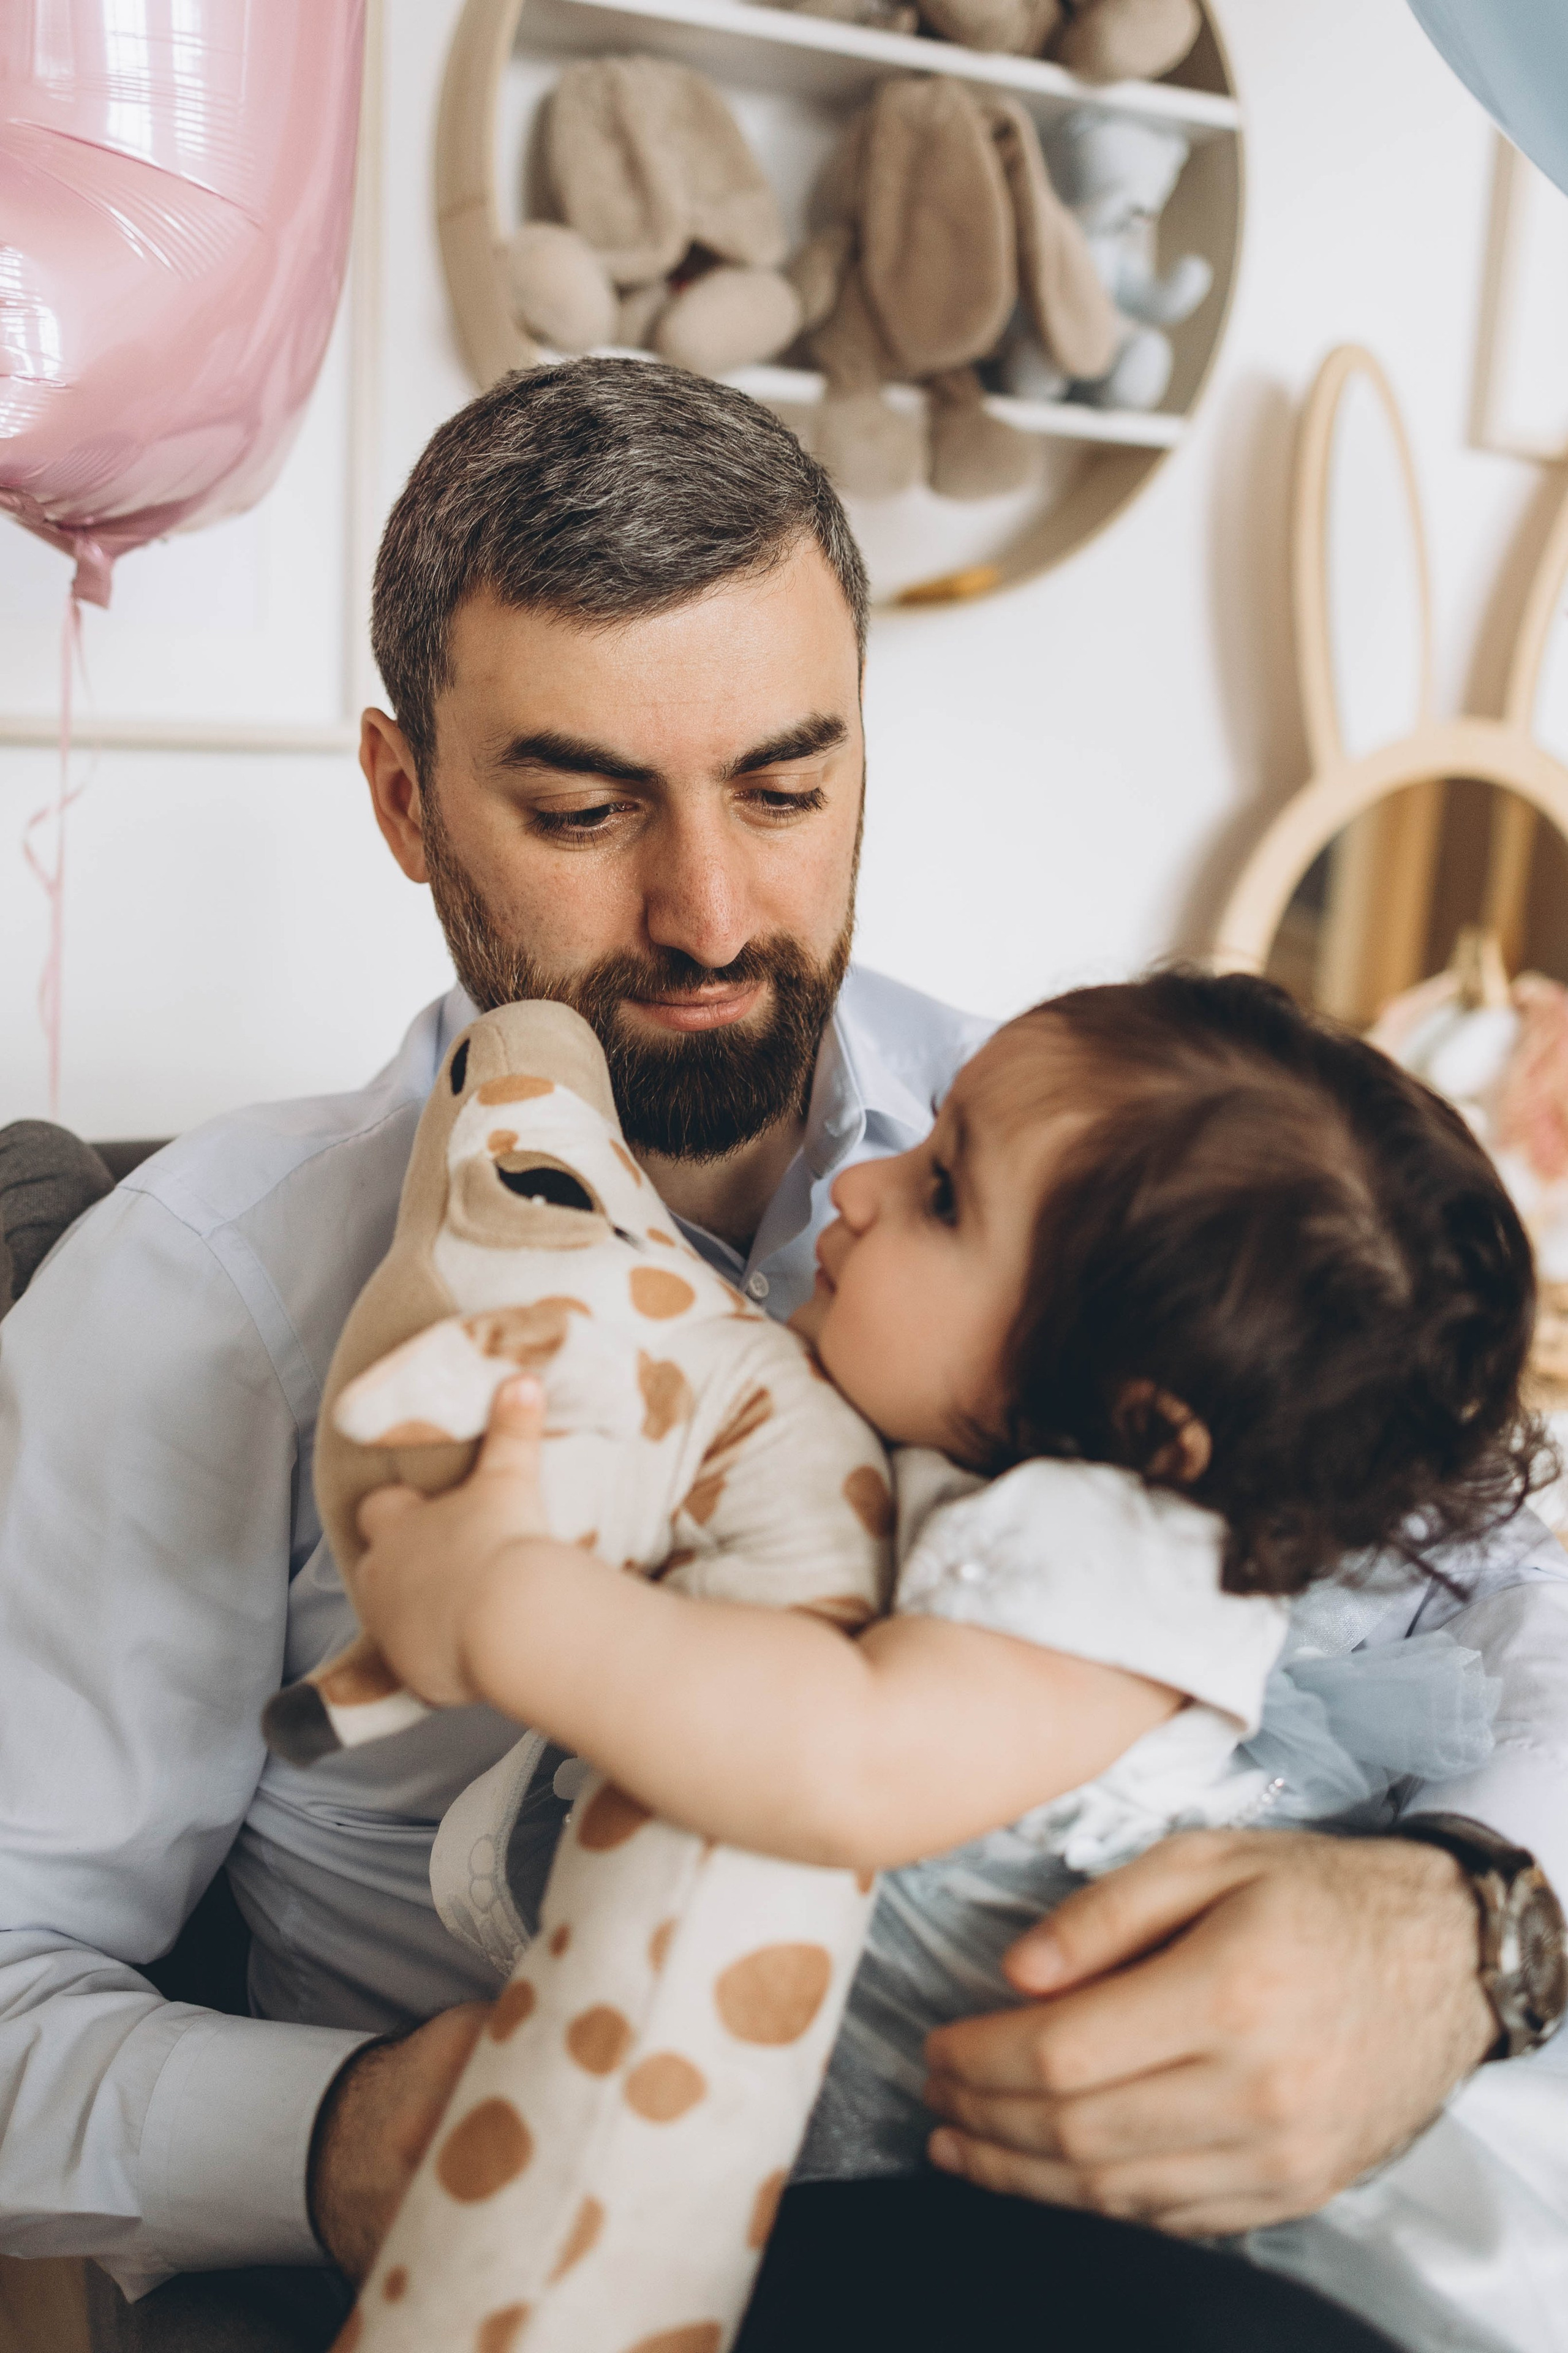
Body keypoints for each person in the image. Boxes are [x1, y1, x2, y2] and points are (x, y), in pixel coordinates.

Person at [0, 360, 1564, 2353]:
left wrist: (1465, 1920)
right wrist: (347, 2140)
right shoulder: (203, 1297)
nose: (712, 909)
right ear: (407, 800)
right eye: (584, 807)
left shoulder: (1083, 1168)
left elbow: (1505, 1573)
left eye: (787, 787)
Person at [349, 967, 1548, 2351]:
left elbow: (840, 1754)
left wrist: (509, 1605)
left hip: (1131, 2259)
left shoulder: (1118, 1562)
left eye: (942, 1197)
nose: (860, 1185)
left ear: (1139, 1427)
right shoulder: (942, 1461)